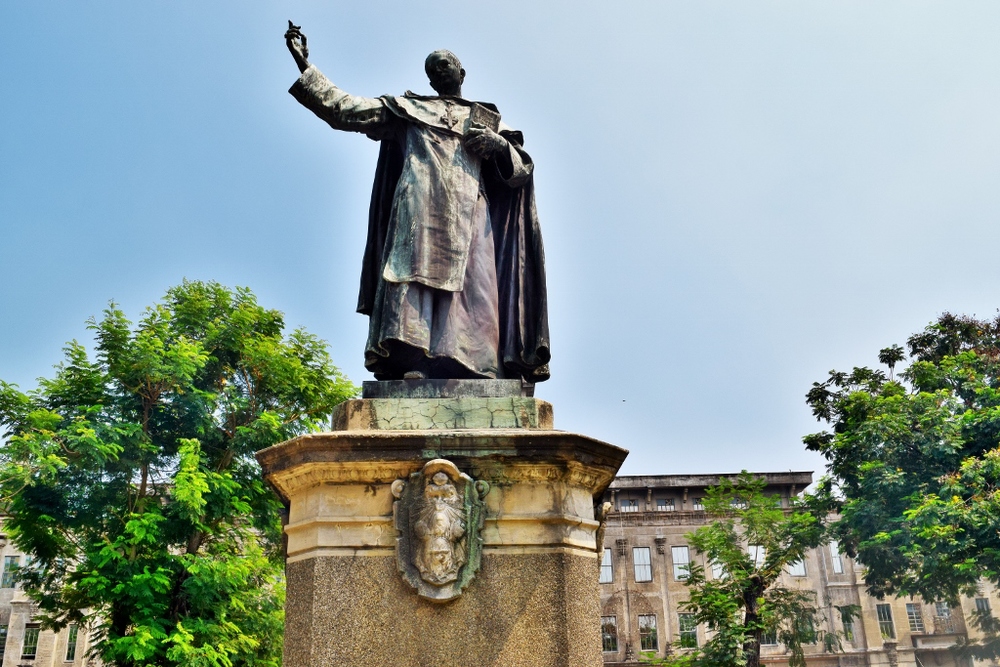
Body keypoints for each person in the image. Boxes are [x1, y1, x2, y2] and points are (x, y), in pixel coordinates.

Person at [285, 23, 550, 383]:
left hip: (473, 212)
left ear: (461, 73)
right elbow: (347, 110)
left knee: (479, 288)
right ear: (428, 80)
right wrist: (306, 69)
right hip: (419, 207)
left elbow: (520, 170)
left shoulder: (487, 119)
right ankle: (414, 362)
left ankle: (479, 366)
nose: (439, 69)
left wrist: (498, 145)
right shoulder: (408, 109)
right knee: (411, 284)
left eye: (445, 63)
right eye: (432, 67)